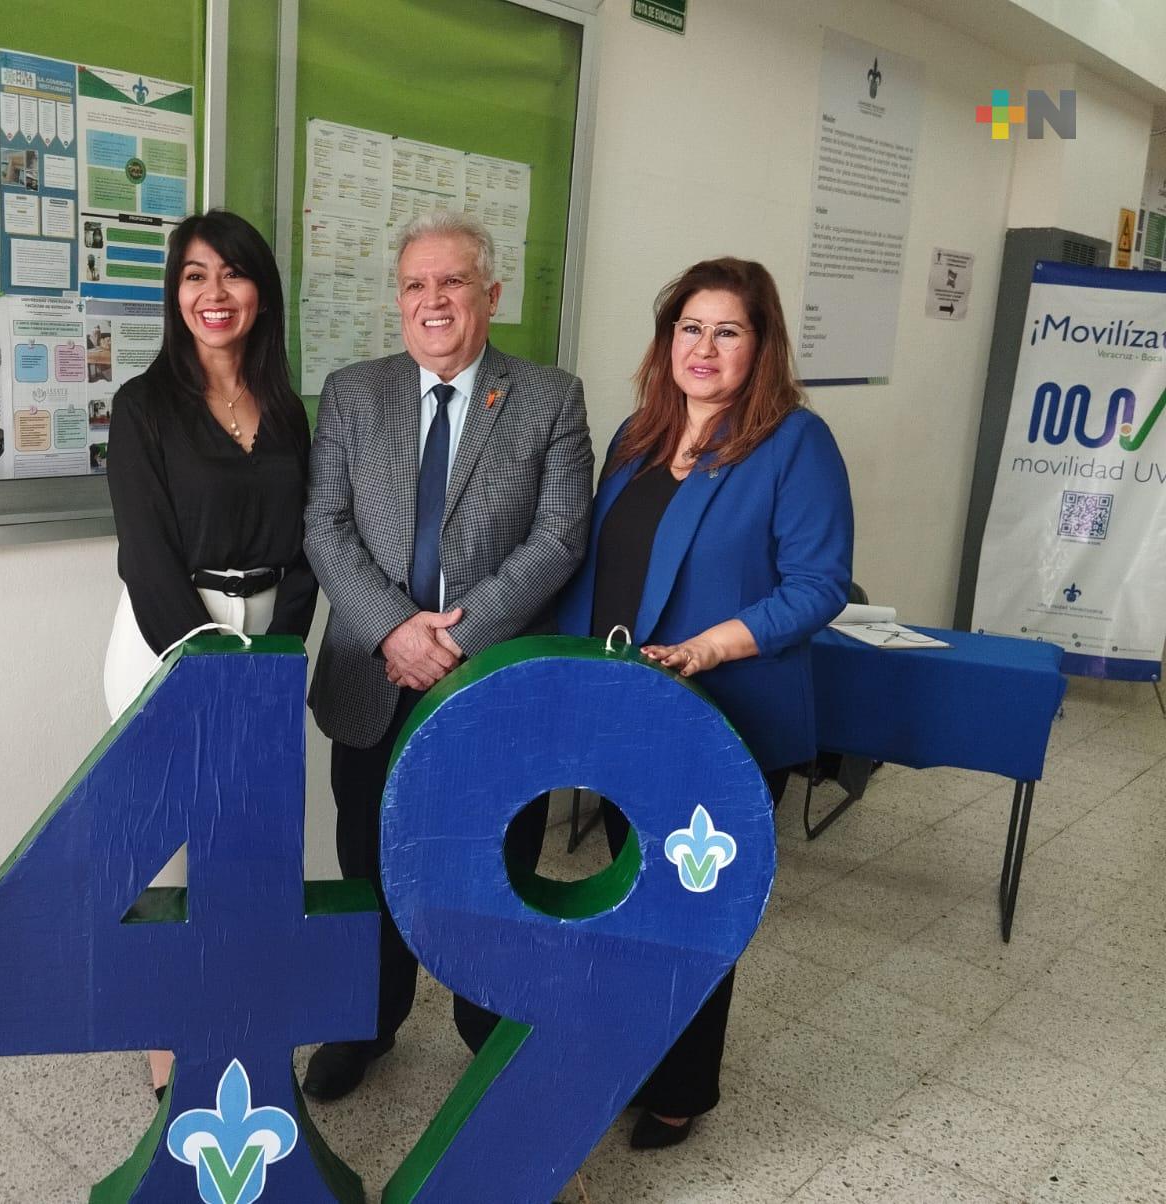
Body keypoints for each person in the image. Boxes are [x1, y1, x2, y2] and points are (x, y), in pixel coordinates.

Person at [555, 256, 853, 1147]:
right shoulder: (638, 434)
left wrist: (705, 647)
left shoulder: (794, 443)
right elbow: (602, 569)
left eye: (728, 330)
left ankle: (680, 1087)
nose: (706, 347)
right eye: (691, 327)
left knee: (690, 905)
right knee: (622, 895)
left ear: (760, 346)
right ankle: (626, 1052)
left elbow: (819, 583)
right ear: (667, 340)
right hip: (620, 707)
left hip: (720, 718)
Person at [302, 210, 593, 1102]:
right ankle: (368, 1022)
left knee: (488, 862)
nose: (433, 300)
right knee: (368, 861)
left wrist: (456, 639)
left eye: (453, 281)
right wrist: (396, 630)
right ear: (399, 300)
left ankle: (486, 1026)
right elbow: (325, 525)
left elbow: (558, 540)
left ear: (491, 294)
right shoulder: (353, 392)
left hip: (485, 682)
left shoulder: (549, 397)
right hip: (370, 678)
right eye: (415, 285)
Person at [104, 209, 318, 1097]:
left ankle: (236, 1024)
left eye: (231, 274)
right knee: (169, 852)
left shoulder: (287, 407)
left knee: (246, 845)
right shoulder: (143, 406)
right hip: (167, 636)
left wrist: (273, 660)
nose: (213, 294)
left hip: (266, 634)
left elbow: (313, 541)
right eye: (194, 276)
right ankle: (168, 1061)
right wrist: (208, 666)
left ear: (260, 291)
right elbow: (145, 553)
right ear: (175, 293)